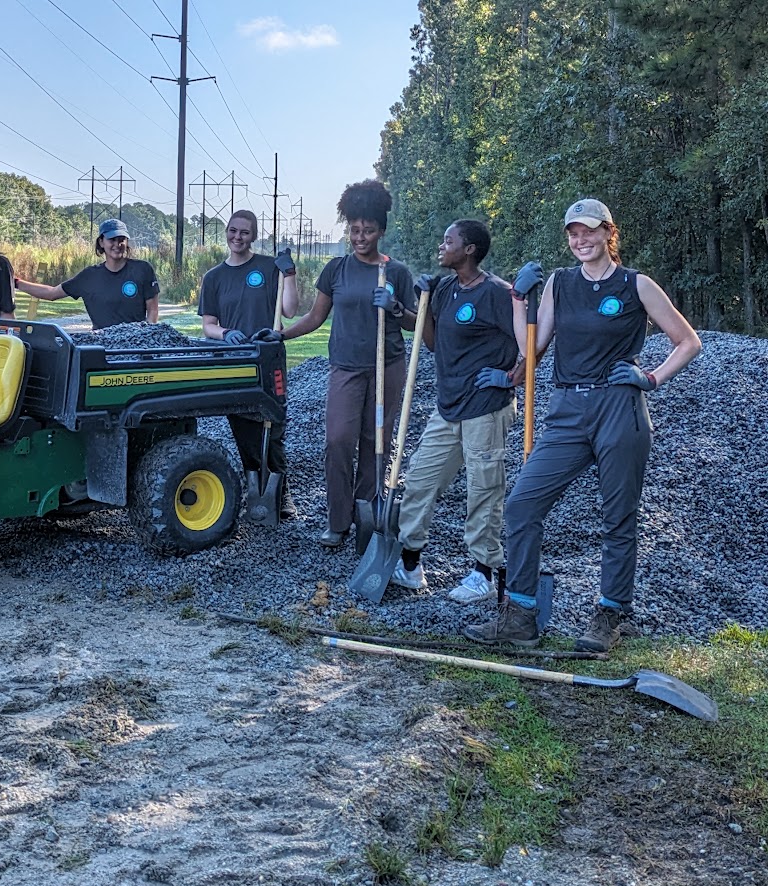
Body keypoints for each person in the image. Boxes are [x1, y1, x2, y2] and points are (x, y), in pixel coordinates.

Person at [464, 198, 701, 653]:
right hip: (567, 411)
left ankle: (610, 614)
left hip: (620, 410)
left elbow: (687, 342)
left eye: (589, 231)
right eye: (573, 233)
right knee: (521, 506)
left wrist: (650, 377)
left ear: (609, 233)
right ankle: (520, 616)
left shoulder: (637, 285)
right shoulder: (560, 283)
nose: (580, 240)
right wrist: (518, 298)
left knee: (618, 518)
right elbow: (530, 352)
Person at [253, 179, 417, 547]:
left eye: (368, 230)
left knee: (377, 442)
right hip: (345, 366)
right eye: (355, 230)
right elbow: (314, 317)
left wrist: (396, 309)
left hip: (385, 367)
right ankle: (337, 519)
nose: (360, 237)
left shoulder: (396, 273)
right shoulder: (336, 269)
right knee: (339, 441)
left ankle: (366, 516)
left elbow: (414, 322)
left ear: (381, 231)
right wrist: (281, 335)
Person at [390, 220, 525, 602]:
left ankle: (484, 572)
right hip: (448, 407)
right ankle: (411, 565)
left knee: (484, 489)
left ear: (469, 250)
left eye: (448, 240)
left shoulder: (498, 294)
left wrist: (511, 377)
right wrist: (414, 306)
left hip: (485, 408)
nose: (441, 245)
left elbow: (531, 340)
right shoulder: (447, 288)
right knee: (419, 480)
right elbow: (431, 342)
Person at [198, 210, 300, 519]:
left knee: (274, 427)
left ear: (253, 236)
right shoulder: (214, 277)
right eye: (233, 231)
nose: (237, 237)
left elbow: (290, 310)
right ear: (226, 232)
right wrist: (225, 333)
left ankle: (282, 495)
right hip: (235, 362)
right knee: (243, 428)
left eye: (244, 232)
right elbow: (208, 325)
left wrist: (290, 275)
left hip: (268, 359)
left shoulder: (269, 268)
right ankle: (256, 490)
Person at [14, 218, 159, 328]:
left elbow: (152, 312)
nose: (117, 244)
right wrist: (16, 283)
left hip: (136, 345)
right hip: (102, 345)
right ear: (101, 242)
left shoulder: (143, 269)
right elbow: (52, 293)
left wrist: (145, 336)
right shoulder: (89, 276)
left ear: (127, 242)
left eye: (121, 240)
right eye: (112, 239)